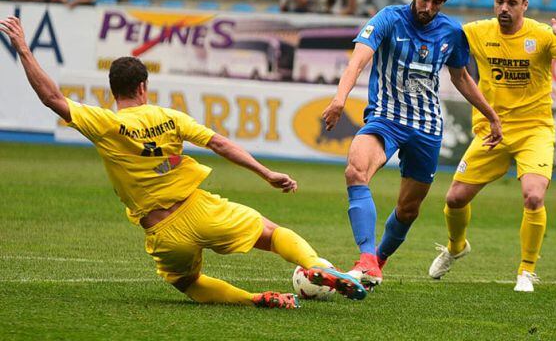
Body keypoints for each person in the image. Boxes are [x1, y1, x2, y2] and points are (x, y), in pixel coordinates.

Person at [1, 16, 367, 308]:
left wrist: (23, 48)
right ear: (143, 86)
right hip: (197, 208)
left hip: (162, 233)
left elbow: (51, 97)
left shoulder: (107, 124)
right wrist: (266, 173)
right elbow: (220, 144)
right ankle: (319, 266)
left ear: (114, 91)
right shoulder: (171, 117)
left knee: (188, 283)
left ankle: (255, 299)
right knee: (272, 235)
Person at [322, 0, 503, 287]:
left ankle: (378, 261)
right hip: (385, 119)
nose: (429, 7)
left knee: (408, 209)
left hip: (426, 128)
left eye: (437, 2)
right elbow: (359, 60)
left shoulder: (451, 32)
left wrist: (491, 115)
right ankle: (366, 260)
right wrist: (340, 99)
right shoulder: (389, 19)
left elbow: (461, 77)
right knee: (355, 171)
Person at [427, 0, 556, 292]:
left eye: (512, 3)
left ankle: (526, 270)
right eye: (499, 2)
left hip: (535, 131)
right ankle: (455, 246)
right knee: (454, 198)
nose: (504, 8)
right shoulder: (476, 32)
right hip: (493, 130)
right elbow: (445, 43)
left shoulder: (544, 35)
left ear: (525, 5)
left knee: (534, 196)